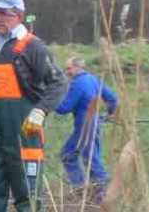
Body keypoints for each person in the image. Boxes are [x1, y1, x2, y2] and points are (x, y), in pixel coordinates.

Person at [0, 0, 68, 211]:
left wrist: (40, 112)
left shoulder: (33, 47)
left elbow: (59, 83)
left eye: (3, 13)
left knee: (28, 197)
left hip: (25, 134)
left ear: (18, 16)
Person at [55, 57, 118, 202]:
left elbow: (64, 108)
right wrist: (107, 114)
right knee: (75, 155)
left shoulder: (78, 84)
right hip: (94, 124)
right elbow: (113, 99)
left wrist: (50, 101)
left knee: (85, 158)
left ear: (77, 68)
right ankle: (88, 191)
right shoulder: (93, 79)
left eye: (69, 68)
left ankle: (99, 195)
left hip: (84, 127)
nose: (67, 72)